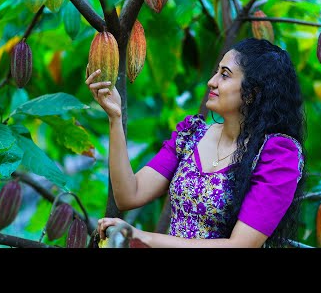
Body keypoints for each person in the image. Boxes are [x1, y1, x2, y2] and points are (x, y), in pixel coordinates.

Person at [85, 37, 307, 248]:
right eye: (216, 72)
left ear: (252, 93)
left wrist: (143, 237)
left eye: (225, 75)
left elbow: (242, 244)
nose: (212, 82)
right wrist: (114, 118)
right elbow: (129, 195)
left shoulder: (277, 155)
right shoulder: (191, 134)